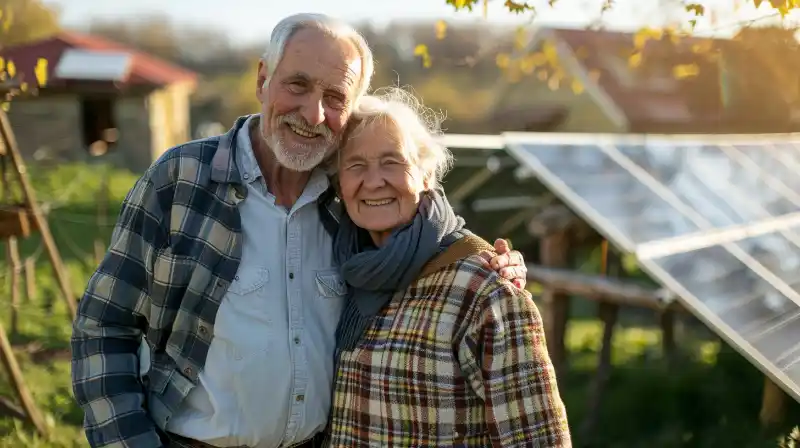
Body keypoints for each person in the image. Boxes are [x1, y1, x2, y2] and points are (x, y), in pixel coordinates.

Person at [70, 13, 529, 448]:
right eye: (298, 85)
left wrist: (488, 263)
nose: (313, 114)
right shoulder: (181, 179)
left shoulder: (348, 198)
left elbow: (419, 209)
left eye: (335, 98)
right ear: (261, 80)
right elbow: (104, 325)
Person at [323, 88, 570, 447]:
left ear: (425, 176)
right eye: (356, 165)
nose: (374, 181)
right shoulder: (335, 272)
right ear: (339, 184)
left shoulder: (484, 288)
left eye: (393, 162)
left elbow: (537, 439)